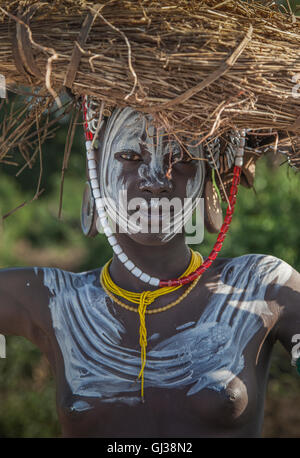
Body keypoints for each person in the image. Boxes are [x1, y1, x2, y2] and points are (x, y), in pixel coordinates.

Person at [0, 102, 299, 438]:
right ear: (95, 171)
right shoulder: (53, 300)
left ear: (207, 178)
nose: (156, 181)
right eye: (130, 157)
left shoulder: (260, 286)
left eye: (183, 158)